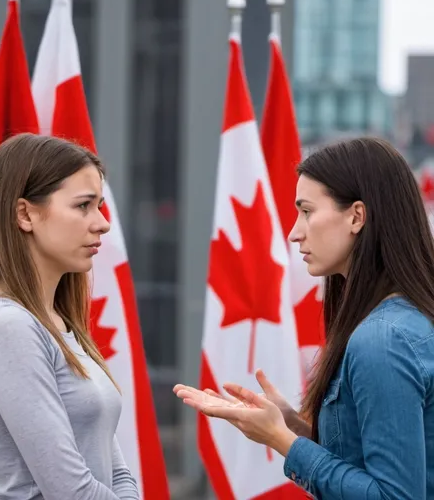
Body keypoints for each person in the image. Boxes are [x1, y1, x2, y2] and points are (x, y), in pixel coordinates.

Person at [174, 137, 434, 499]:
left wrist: (282, 441)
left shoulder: (383, 340)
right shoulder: (409, 320)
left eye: (307, 211)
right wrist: (294, 427)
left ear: (357, 216)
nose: (296, 232)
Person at [0, 133, 139, 500]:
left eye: (99, 206)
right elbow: (70, 490)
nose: (102, 223)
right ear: (25, 214)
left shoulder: (58, 323)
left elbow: (117, 470)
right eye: (83, 206)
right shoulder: (6, 326)